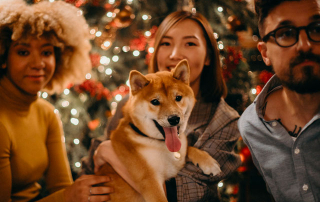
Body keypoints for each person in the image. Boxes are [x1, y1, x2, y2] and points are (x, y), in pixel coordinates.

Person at [81, 10, 242, 202]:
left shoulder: (224, 120)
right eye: (166, 43)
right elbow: (92, 168)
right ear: (156, 51)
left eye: (190, 43)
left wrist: (111, 153)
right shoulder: (131, 105)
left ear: (208, 56)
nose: (174, 54)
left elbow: (186, 192)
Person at [0, 0, 113, 201]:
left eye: (46, 52)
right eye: (23, 52)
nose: (38, 64)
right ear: (3, 58)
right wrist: (69, 195)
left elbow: (60, 188)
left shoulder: (46, 113)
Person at [238, 0, 320, 201]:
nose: (304, 45)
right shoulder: (252, 126)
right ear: (265, 53)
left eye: (316, 29)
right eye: (285, 33)